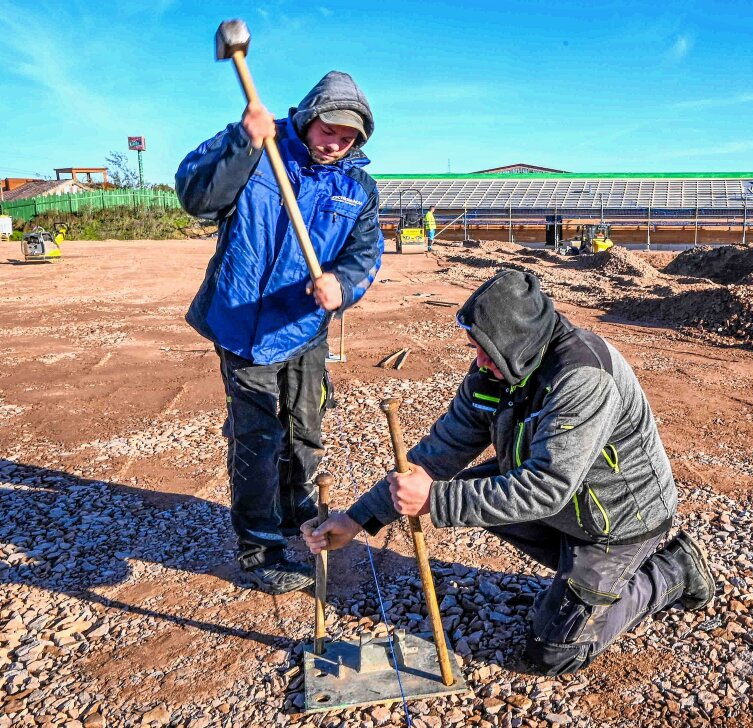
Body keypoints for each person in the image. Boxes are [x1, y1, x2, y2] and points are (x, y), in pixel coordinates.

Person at [303, 270, 715, 675]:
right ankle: (578, 572)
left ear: (519, 341)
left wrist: (435, 499)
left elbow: (547, 487)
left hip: (618, 520)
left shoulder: (582, 378)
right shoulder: (495, 371)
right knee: (457, 490)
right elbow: (437, 455)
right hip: (568, 502)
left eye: (487, 350)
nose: (479, 360)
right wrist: (357, 519)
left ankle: (670, 570)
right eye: (476, 347)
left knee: (554, 652)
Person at [176, 71, 384, 595]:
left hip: (306, 327)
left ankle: (298, 513)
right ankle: (260, 549)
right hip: (243, 327)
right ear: (308, 116)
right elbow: (196, 197)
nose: (335, 142)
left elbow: (364, 254)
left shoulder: (357, 188)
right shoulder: (260, 151)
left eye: (348, 137)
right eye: (328, 129)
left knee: (306, 428)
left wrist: (343, 284)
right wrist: (240, 142)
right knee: (258, 437)